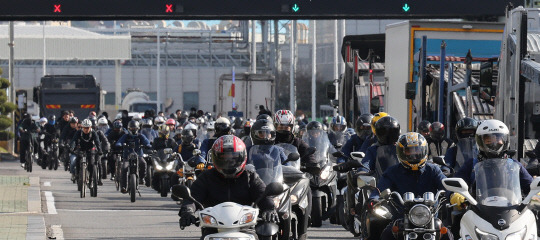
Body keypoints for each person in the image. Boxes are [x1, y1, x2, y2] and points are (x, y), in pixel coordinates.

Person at [178, 135, 277, 240]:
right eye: (224, 158)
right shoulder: (207, 177)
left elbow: (262, 193)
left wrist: (269, 208)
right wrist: (187, 211)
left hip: (245, 228)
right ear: (215, 158)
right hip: (213, 228)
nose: (229, 162)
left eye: (234, 158)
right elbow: (193, 197)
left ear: (242, 157)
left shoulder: (250, 177)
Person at [370, 132, 452, 240]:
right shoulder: (392, 172)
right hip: (402, 219)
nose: (414, 155)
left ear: (424, 150)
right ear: (401, 153)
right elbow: (380, 189)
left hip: (430, 218)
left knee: (448, 235)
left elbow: (446, 185)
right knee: (386, 235)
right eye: (409, 151)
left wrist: (454, 194)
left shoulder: (433, 170)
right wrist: (374, 199)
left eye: (417, 150)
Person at [451, 119, 533, 205]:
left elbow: (530, 185)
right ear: (480, 142)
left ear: (505, 141)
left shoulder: (514, 165)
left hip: (511, 212)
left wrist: (537, 193)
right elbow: (456, 184)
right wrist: (455, 194)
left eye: (498, 139)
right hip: (478, 212)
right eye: (489, 140)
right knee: (457, 215)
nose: (494, 143)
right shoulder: (471, 164)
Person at [115, 120, 152, 192]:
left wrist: (147, 145)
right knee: (124, 168)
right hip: (127, 157)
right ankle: (123, 186)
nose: (133, 130)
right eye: (131, 129)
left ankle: (141, 178)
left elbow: (146, 141)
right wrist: (119, 145)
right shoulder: (125, 136)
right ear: (129, 129)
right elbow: (119, 141)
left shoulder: (141, 136)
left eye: (134, 128)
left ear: (138, 129)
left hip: (139, 156)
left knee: (143, 163)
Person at [69, 119, 102, 184]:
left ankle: (91, 179)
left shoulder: (93, 133)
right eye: (85, 128)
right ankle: (77, 175)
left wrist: (99, 150)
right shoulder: (79, 132)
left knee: (91, 163)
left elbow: (97, 142)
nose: (86, 129)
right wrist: (72, 147)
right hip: (81, 148)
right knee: (77, 160)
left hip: (90, 149)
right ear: (82, 127)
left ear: (90, 127)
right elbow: (74, 140)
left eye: (88, 128)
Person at [92, 118, 110, 185]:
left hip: (97, 151)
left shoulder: (99, 133)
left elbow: (106, 142)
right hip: (88, 151)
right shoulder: (83, 132)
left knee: (99, 163)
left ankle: (99, 179)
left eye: (93, 126)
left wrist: (106, 149)